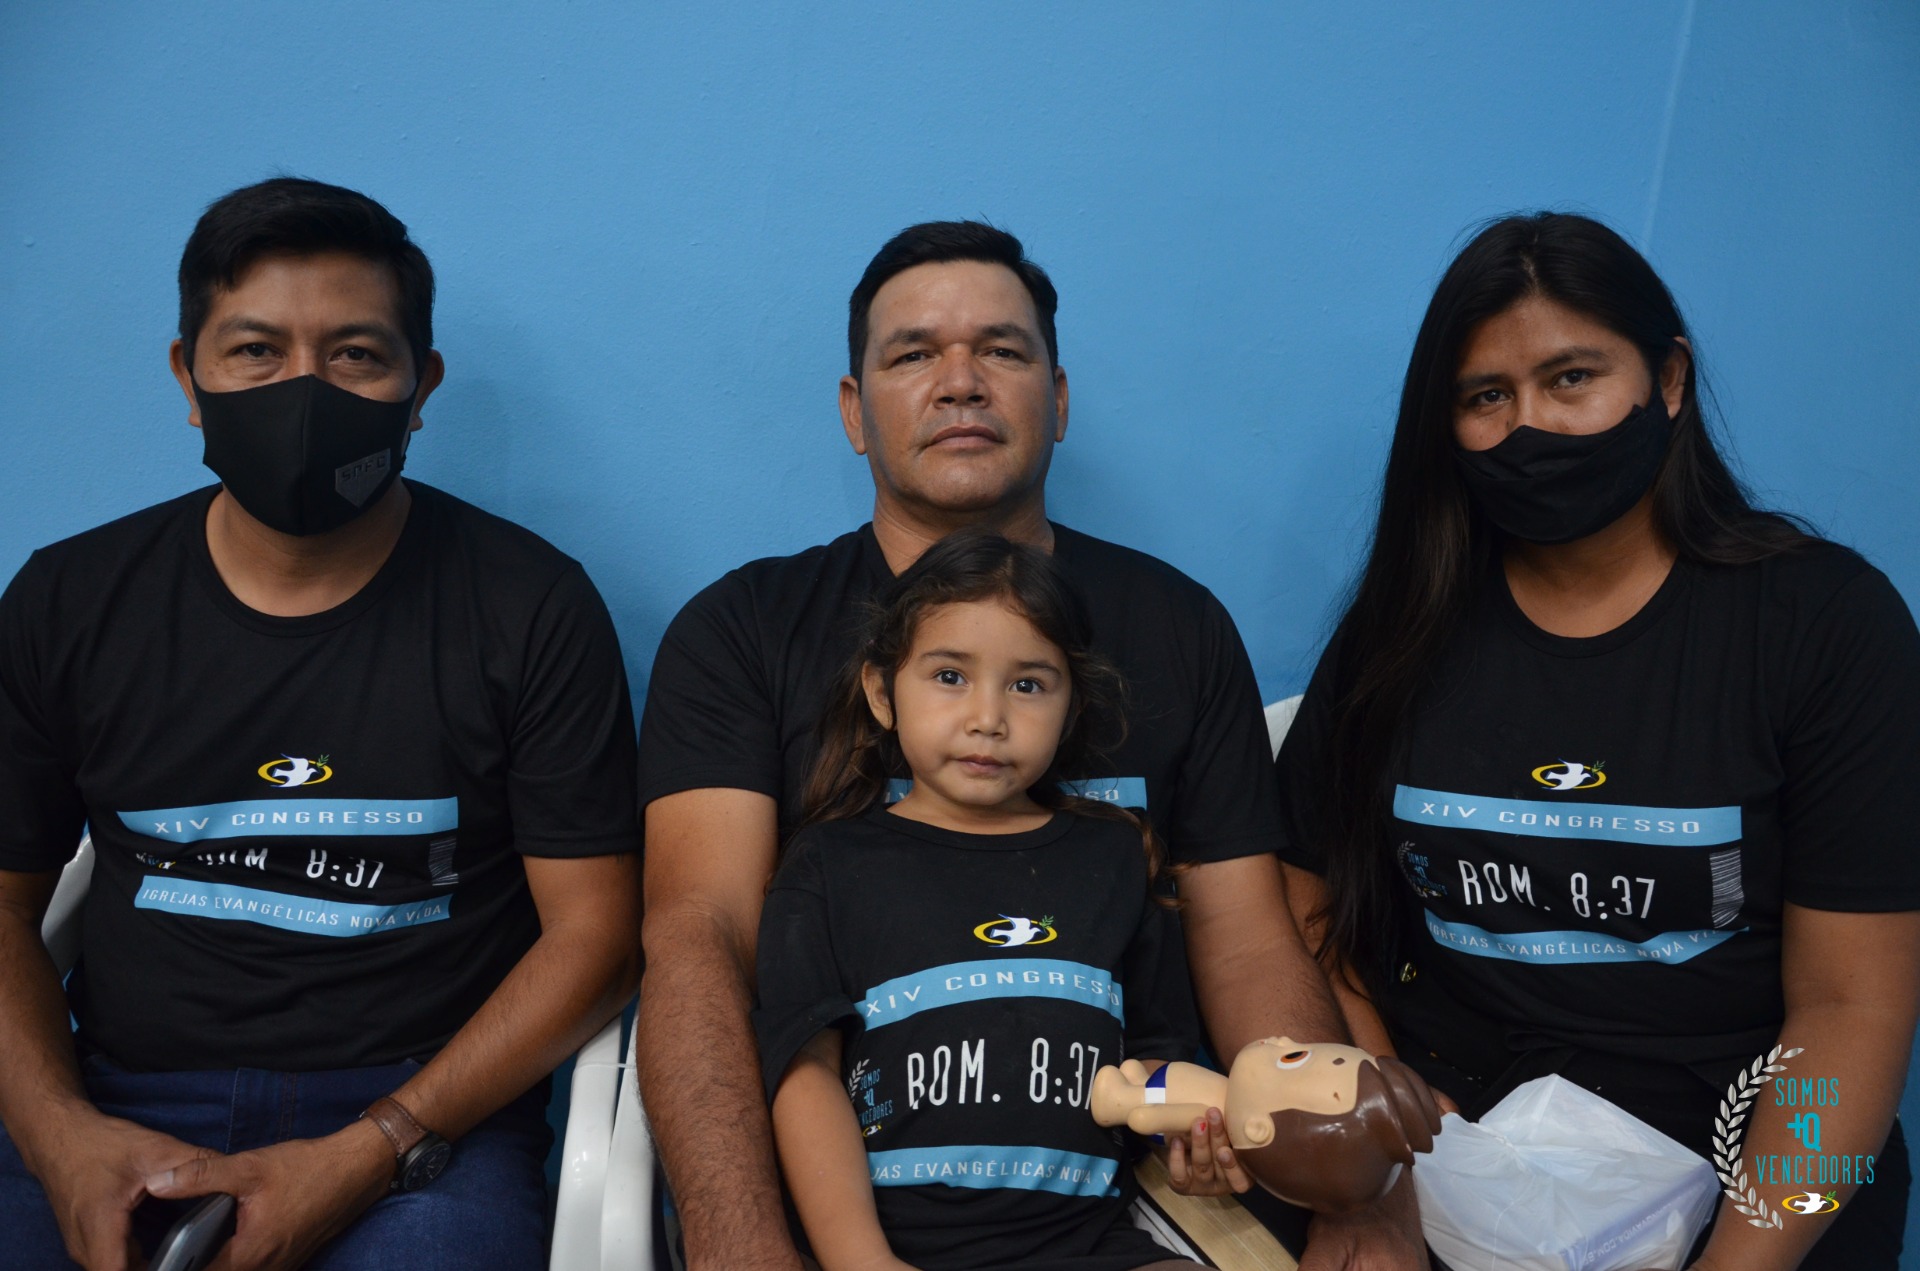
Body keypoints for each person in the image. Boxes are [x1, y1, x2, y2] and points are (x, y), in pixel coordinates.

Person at [638, 220, 1429, 1271]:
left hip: (1120, 1190)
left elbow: (1246, 940)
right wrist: (741, 1241)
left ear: (1057, 399)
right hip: (844, 1194)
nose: (961, 381)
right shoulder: (743, 629)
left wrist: (1348, 1180)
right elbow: (701, 941)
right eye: (914, 353)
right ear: (854, 411)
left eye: (1001, 350)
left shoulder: (1178, 624)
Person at [0, 178, 642, 1270]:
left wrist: (373, 1147)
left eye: (355, 354)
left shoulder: (529, 605)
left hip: (423, 1115)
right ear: (188, 376)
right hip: (116, 1100)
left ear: (420, 386)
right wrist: (61, 1137)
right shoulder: (71, 600)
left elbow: (598, 937)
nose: (303, 390)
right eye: (256, 350)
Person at [1274, 211, 1920, 1270]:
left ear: (1668, 379)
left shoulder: (1825, 625)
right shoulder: (1402, 627)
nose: (1530, 426)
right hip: (1455, 1145)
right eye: (1486, 397)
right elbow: (1303, 897)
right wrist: (1379, 1134)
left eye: (1571, 378)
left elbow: (1852, 1007)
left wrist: (1740, 1257)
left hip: (1743, 1164)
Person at [756, 529, 1198, 1271]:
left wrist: (1191, 1138)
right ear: (881, 692)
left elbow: (1157, 1061)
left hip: (1089, 1248)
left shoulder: (1119, 856)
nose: (988, 717)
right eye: (950, 676)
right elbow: (807, 1077)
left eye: (1028, 685)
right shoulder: (829, 864)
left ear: (1071, 705)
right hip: (897, 1250)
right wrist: (863, 1261)